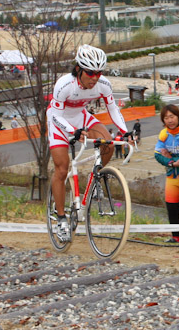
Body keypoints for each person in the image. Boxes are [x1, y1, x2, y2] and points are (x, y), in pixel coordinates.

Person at [47, 44, 130, 243]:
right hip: (59, 122)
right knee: (61, 169)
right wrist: (71, 131)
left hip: (81, 117)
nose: (94, 78)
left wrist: (125, 132)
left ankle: (94, 181)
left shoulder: (103, 84)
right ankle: (61, 219)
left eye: (98, 73)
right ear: (79, 69)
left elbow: (113, 109)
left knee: (108, 144)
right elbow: (56, 116)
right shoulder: (64, 85)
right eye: (90, 73)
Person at [154, 104, 179, 244]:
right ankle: (175, 237)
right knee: (172, 208)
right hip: (171, 176)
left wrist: (169, 157)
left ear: (178, 117)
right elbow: (157, 155)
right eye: (166, 118)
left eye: (172, 116)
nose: (170, 120)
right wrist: (172, 162)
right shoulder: (164, 134)